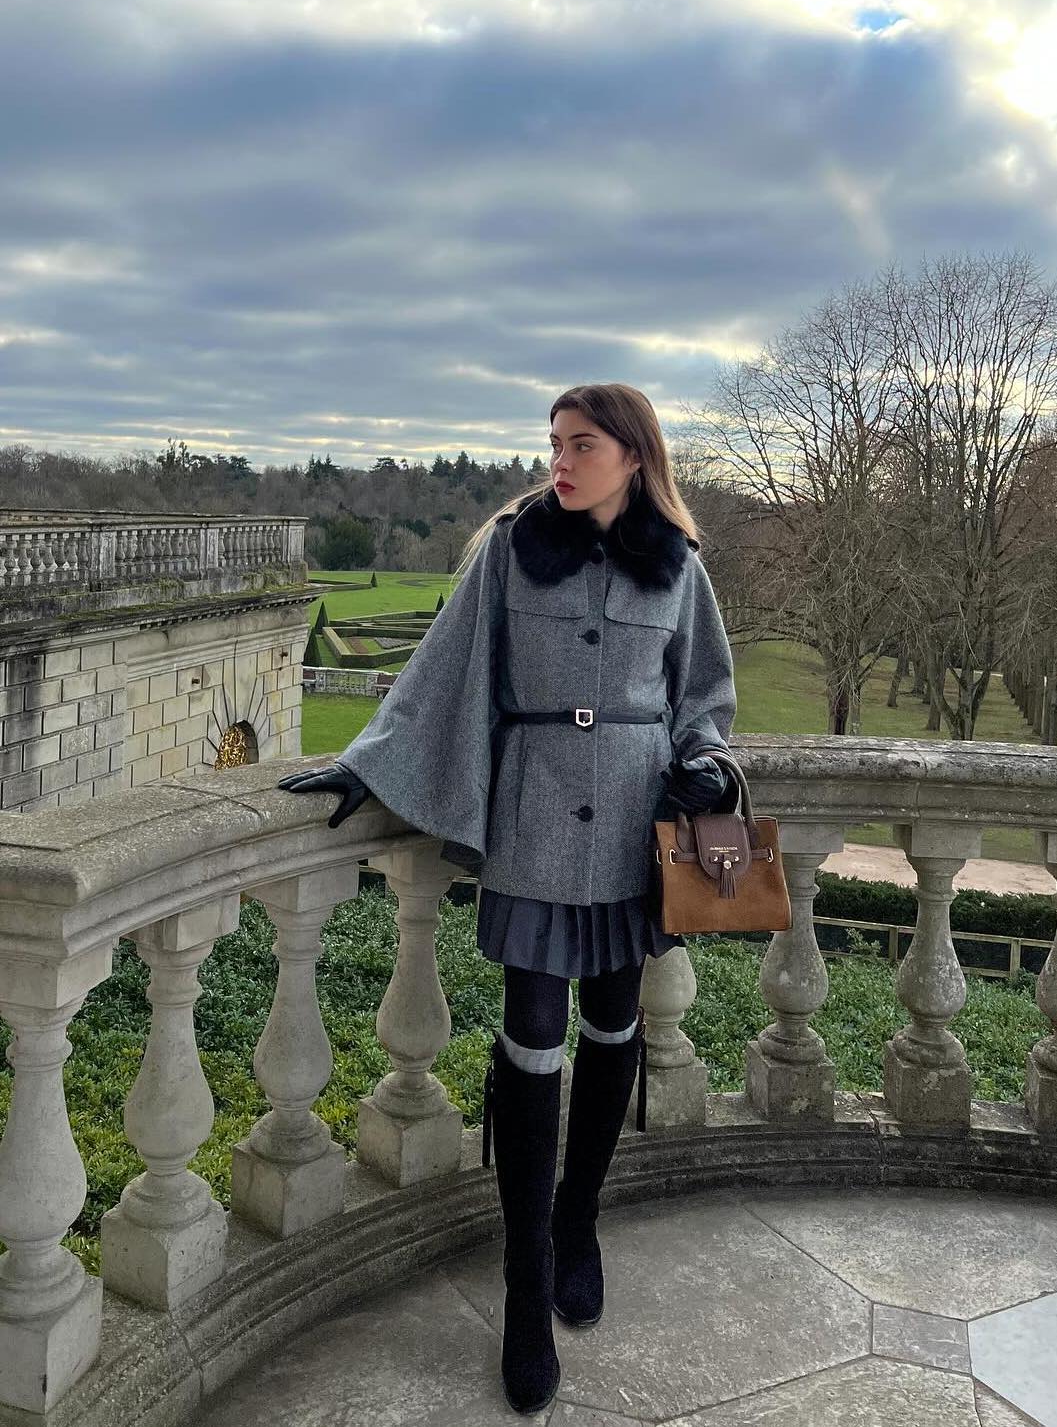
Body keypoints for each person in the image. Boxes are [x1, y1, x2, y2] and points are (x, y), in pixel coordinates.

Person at [277, 382, 738, 1415]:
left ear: (632, 454)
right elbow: (441, 672)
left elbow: (703, 693)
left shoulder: (680, 563)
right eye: (555, 443)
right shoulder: (507, 544)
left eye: (581, 445)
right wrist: (368, 762)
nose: (560, 461)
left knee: (615, 1022)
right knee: (531, 1034)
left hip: (635, 823)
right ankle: (525, 1289)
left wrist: (704, 756)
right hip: (532, 816)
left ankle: (580, 1221)